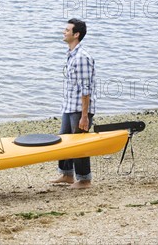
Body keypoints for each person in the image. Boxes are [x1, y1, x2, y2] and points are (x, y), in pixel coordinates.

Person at [51, 18, 96, 189]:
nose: (64, 32)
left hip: (80, 109)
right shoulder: (72, 55)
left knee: (79, 144)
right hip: (69, 106)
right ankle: (67, 175)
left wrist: (85, 116)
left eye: (67, 30)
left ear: (76, 34)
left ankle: (84, 180)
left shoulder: (82, 57)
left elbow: (86, 89)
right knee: (63, 139)